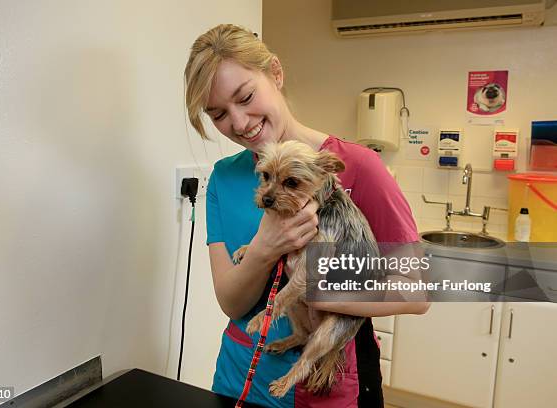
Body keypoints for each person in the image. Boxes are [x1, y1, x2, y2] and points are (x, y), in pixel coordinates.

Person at [184, 24, 429, 408]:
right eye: (218, 115)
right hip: (238, 378)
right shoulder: (223, 178)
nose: (240, 123)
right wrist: (265, 249)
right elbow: (232, 303)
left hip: (326, 387)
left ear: (276, 73)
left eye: (246, 97)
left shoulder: (357, 167)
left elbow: (416, 289)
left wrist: (309, 279)